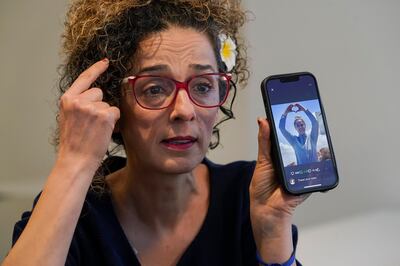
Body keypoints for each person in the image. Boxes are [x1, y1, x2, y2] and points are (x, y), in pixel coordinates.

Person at [3, 1, 309, 265]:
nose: (184, 110)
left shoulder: (247, 197)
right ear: (111, 103)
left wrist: (273, 233)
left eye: (202, 86)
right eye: (154, 89)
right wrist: (74, 161)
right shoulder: (78, 214)